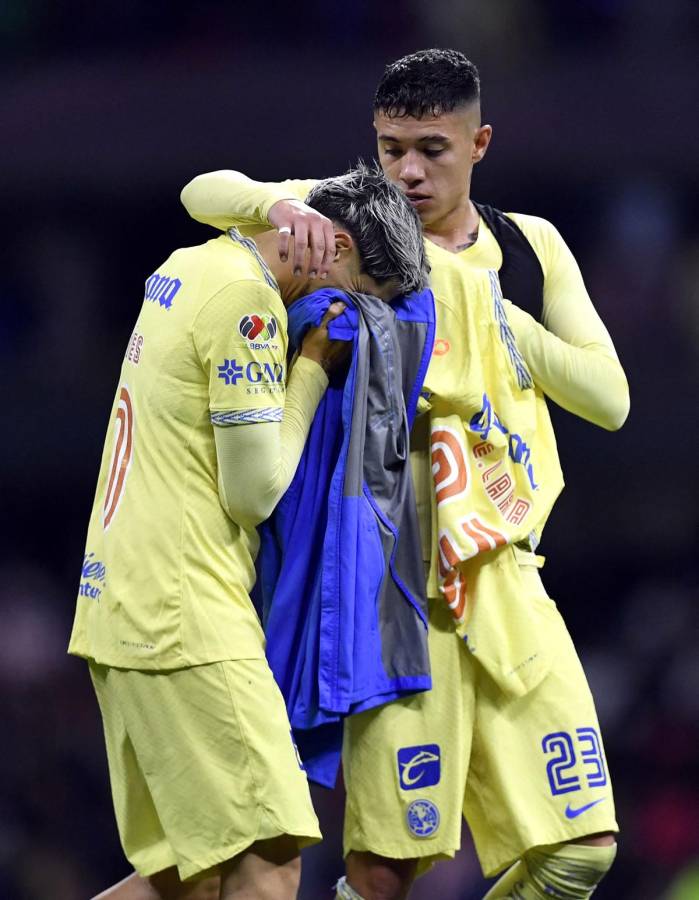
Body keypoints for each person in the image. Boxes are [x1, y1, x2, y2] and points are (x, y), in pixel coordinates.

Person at [179, 49, 629, 900]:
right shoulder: (348, 227)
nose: (410, 172)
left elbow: (608, 400)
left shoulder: (530, 248)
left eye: (433, 148)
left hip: (505, 579)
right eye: (391, 150)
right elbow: (201, 193)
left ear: (480, 141)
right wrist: (279, 203)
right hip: (390, 587)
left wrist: (477, 305)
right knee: (383, 876)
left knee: (582, 853)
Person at [68, 165, 430, 900]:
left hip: (122, 608)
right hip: (184, 616)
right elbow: (253, 492)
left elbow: (201, 189)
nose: (341, 316)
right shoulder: (250, 306)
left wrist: (279, 202)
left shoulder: (192, 262)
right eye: (352, 297)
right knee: (269, 860)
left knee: (187, 878)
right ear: (325, 249)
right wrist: (309, 371)